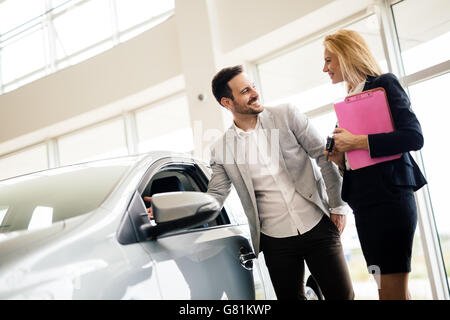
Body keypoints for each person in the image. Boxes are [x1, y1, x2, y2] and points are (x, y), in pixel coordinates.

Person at [204, 65, 354, 300]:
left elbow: (324, 156)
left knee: (343, 297)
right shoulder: (221, 148)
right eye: (245, 91)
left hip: (317, 224)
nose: (254, 93)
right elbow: (215, 195)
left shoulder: (286, 115)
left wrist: (337, 206)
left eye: (252, 86)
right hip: (275, 241)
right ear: (227, 102)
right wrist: (180, 209)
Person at [322, 29, 427, 300]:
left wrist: (357, 141)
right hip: (365, 206)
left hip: (390, 202)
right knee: (386, 291)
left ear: (347, 56)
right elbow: (358, 161)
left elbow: (413, 136)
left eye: (329, 60)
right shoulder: (347, 102)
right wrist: (340, 161)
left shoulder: (384, 84)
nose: (325, 68)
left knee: (393, 292)